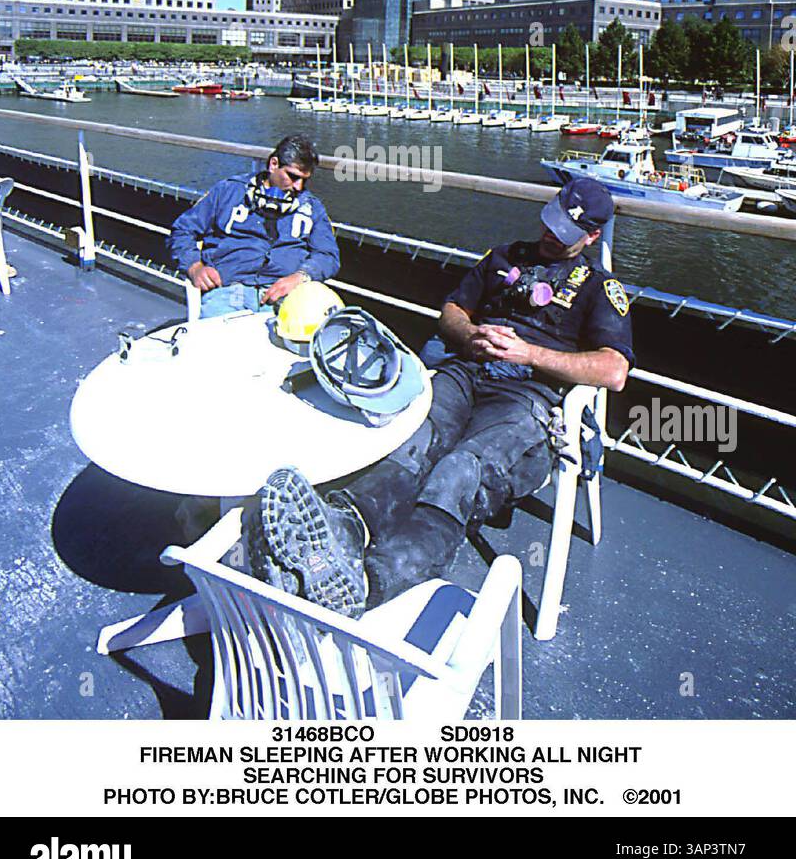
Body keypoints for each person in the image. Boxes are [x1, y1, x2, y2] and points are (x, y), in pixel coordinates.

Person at [245, 177, 634, 617]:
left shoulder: (599, 288)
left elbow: (614, 370)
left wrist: (529, 353)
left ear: (592, 236)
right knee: (416, 438)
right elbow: (452, 311)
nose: (550, 234)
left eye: (564, 232)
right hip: (466, 371)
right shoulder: (505, 257)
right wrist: (469, 334)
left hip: (528, 395)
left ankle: (372, 582)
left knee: (462, 468)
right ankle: (343, 527)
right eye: (551, 222)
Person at [168, 134, 340, 318]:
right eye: (292, 176)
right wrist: (194, 267)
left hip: (286, 297)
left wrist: (301, 277)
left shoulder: (312, 208)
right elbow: (182, 230)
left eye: (305, 180)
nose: (298, 187)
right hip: (230, 290)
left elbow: (328, 255)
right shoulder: (228, 191)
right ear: (273, 164)